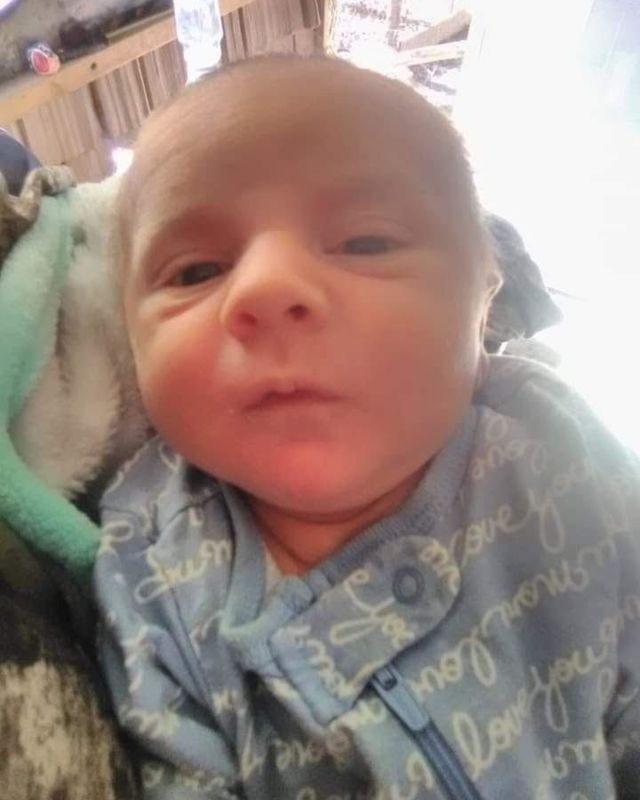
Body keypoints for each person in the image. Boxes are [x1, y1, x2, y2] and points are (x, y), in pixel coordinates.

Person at [93, 55, 640, 799]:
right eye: (195, 272)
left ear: (485, 292)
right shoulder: (147, 559)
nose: (266, 286)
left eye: (367, 242)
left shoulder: (555, 450)